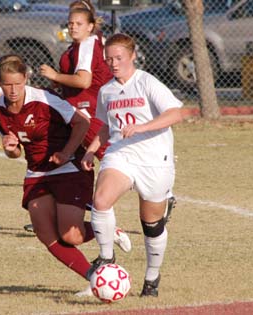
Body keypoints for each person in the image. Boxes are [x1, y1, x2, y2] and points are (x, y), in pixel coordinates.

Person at [0, 54, 131, 296]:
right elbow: (16, 152)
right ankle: (94, 278)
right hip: (37, 172)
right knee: (46, 233)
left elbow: (82, 123)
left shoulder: (45, 99)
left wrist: (66, 153)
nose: (13, 90)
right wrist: (10, 149)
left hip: (70, 168)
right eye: (7, 84)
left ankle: (109, 230)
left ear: (25, 78)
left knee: (71, 235)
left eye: (17, 83)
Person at [81, 33, 184, 297]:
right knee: (101, 201)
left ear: (132, 56)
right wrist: (91, 151)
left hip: (154, 160)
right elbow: (107, 127)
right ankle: (106, 256)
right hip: (121, 155)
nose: (113, 64)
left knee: (151, 224)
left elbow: (176, 113)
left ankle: (152, 278)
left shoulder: (147, 82)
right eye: (109, 59)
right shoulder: (107, 91)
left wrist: (142, 127)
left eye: (119, 58)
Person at [39, 2, 113, 160]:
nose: (73, 26)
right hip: (79, 106)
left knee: (109, 155)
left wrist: (55, 76)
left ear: (89, 25)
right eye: (71, 22)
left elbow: (83, 81)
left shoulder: (87, 43)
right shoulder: (78, 45)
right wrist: (62, 81)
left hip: (89, 108)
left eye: (79, 23)